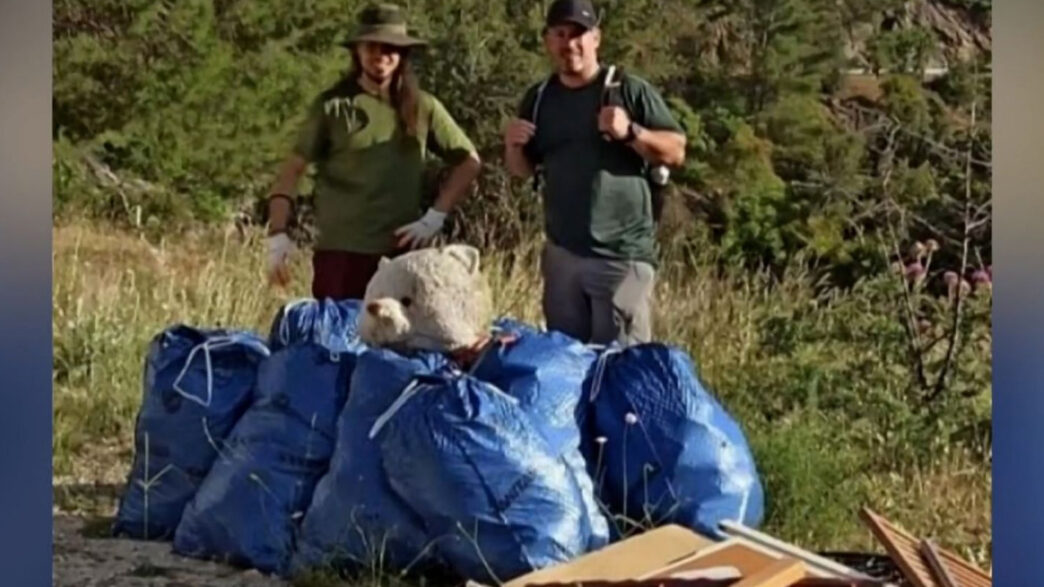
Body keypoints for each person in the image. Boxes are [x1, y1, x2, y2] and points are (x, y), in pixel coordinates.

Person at [265, 3, 482, 300]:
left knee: (399, 341)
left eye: (390, 48)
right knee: (339, 341)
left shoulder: (422, 107)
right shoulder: (333, 106)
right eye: (372, 47)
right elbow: (292, 170)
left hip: (401, 253)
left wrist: (434, 217)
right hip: (341, 254)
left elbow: (469, 162)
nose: (381, 55)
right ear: (358, 51)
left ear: (402, 54)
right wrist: (278, 235)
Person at [503, 0, 686, 346]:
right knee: (567, 367)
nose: (569, 44)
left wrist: (632, 132)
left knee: (620, 370)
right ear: (547, 41)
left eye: (578, 35)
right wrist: (512, 146)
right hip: (562, 257)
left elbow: (676, 150)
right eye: (560, 34)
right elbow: (523, 171)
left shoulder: (627, 90)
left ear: (596, 39)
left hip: (621, 257)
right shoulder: (539, 98)